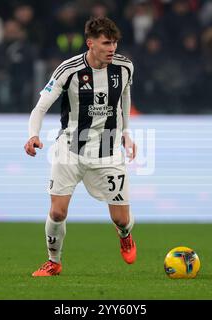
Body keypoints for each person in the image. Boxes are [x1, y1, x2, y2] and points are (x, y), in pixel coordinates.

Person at [24, 16, 137, 277]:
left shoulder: (125, 67)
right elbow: (41, 106)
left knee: (121, 219)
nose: (112, 48)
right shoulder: (68, 69)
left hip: (108, 151)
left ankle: (125, 235)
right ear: (90, 43)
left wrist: (126, 133)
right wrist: (33, 135)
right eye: (106, 43)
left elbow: (125, 97)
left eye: (115, 42)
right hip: (70, 149)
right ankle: (54, 261)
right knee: (57, 211)